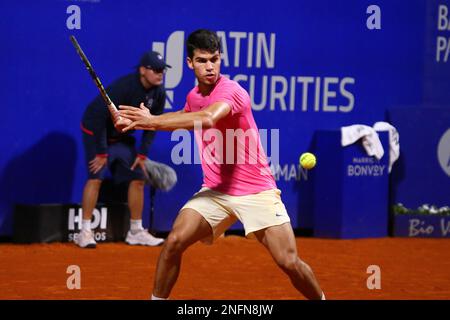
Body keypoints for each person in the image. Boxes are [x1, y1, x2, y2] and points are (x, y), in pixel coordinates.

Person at [118, 30, 325, 300]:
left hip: (256, 191)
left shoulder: (232, 91)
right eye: (202, 60)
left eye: (214, 59)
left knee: (288, 262)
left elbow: (206, 118)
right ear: (190, 63)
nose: (210, 67)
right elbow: (186, 113)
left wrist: (152, 122)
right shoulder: (194, 95)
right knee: (174, 242)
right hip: (216, 191)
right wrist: (148, 116)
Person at [75, 51, 169, 248]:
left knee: (138, 177)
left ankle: (135, 231)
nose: (161, 74)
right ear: (143, 70)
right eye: (157, 70)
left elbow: (154, 125)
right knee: (96, 177)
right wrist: (101, 152)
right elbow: (98, 118)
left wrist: (142, 154)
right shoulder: (124, 87)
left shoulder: (159, 93)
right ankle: (84, 232)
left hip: (120, 136)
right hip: (96, 130)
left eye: (163, 70)